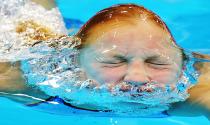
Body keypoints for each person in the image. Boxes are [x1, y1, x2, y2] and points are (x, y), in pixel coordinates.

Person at [0, 1, 209, 118]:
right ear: (75, 64)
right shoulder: (21, 82)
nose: (137, 77)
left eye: (157, 62)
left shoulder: (189, 92)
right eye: (114, 61)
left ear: (181, 66)